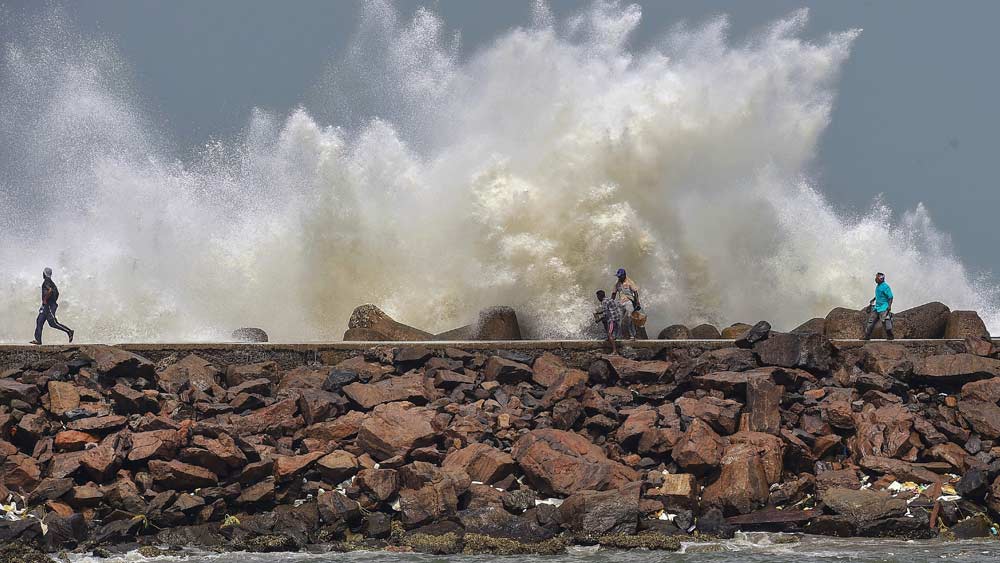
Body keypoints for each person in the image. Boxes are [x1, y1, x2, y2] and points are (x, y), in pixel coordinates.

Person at [30, 267, 74, 345]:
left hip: (49, 305)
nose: (42, 274)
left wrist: (46, 299)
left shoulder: (47, 281)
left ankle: (69, 331)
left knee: (53, 323)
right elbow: (57, 293)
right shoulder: (51, 282)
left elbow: (49, 290)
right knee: (39, 320)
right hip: (46, 305)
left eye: (43, 273)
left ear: (44, 273)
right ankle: (38, 340)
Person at [864, 272, 894, 341]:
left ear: (881, 278)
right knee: (871, 321)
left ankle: (890, 336)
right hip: (877, 307)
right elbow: (879, 294)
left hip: (883, 307)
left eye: (876, 278)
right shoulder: (878, 286)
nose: (875, 279)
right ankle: (867, 336)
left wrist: (889, 306)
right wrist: (874, 299)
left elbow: (890, 297)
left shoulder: (885, 286)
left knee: (885, 322)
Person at [612, 268, 641, 340]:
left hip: (629, 302)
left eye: (620, 276)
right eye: (618, 276)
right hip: (620, 303)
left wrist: (637, 302)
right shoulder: (617, 284)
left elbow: (635, 292)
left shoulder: (629, 282)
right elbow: (613, 293)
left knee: (629, 318)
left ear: (624, 275)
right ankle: (616, 336)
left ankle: (632, 335)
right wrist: (611, 302)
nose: (619, 277)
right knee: (618, 319)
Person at [596, 290, 621, 354]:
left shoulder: (604, 302)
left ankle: (614, 350)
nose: (597, 299)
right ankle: (610, 339)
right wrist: (599, 313)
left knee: (610, 334)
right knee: (612, 334)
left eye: (597, 297)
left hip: (612, 319)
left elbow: (605, 315)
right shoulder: (609, 299)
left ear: (599, 296)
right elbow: (609, 309)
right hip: (617, 318)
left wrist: (598, 320)